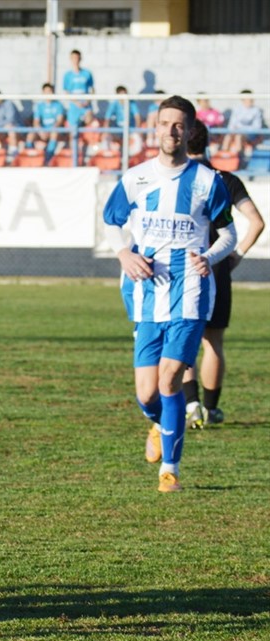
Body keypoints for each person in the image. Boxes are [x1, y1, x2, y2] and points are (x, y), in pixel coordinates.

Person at [102, 95, 235, 493]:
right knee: (147, 394)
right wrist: (124, 253)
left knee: (171, 377)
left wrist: (209, 257)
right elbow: (111, 222)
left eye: (179, 125)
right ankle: (159, 424)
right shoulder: (137, 177)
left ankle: (170, 471)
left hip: (191, 292)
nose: (171, 131)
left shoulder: (208, 181)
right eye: (165, 123)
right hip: (146, 294)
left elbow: (229, 234)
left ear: (190, 131)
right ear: (155, 127)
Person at [181, 121, 265, 428]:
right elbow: (256, 222)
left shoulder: (179, 180)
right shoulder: (225, 179)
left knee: (185, 336)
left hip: (186, 263)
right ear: (208, 143)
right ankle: (212, 409)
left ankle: (191, 405)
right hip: (216, 264)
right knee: (213, 341)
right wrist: (236, 255)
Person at [28, 82, 66, 163]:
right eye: (46, 92)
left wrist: (51, 130)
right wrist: (40, 131)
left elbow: (59, 121)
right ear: (43, 93)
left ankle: (48, 159)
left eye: (50, 91)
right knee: (30, 135)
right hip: (42, 131)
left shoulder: (58, 105)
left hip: (53, 130)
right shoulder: (39, 106)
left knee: (54, 133)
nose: (48, 94)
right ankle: (31, 158)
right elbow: (36, 122)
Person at [222, 90, 265, 155]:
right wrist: (236, 130)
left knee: (238, 136)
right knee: (228, 136)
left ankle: (238, 155)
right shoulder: (237, 109)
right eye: (247, 98)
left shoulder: (256, 110)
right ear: (243, 99)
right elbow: (232, 125)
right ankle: (223, 155)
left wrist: (241, 128)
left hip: (250, 134)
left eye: (251, 98)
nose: (249, 100)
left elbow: (257, 127)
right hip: (237, 132)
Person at [62, 49, 95, 128]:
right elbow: (66, 91)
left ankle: (82, 126)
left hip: (85, 104)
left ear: (80, 59)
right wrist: (76, 102)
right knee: (73, 129)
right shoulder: (67, 75)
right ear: (70, 59)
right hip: (74, 105)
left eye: (77, 58)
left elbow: (92, 89)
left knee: (89, 120)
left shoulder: (87, 73)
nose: (75, 60)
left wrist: (88, 101)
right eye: (73, 58)